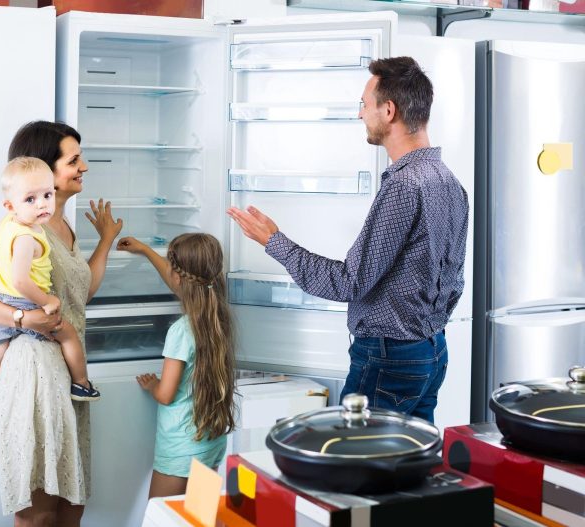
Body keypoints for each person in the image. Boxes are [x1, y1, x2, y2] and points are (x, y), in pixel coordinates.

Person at [227, 57, 469, 424]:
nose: (360, 114)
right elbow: (454, 282)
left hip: (389, 357)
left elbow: (349, 282)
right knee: (411, 464)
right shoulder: (449, 181)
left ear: (389, 111)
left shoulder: (404, 185)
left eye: (364, 104)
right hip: (432, 351)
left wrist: (273, 241)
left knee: (358, 465)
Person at [0, 120, 122, 526]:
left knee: (71, 504)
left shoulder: (62, 224)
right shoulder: (23, 226)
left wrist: (105, 241)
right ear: (45, 168)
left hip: (65, 376)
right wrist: (23, 317)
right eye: (74, 159)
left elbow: (78, 294)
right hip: (34, 372)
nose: (83, 166)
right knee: (40, 511)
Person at [0, 157, 100, 420]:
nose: (42, 204)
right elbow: (21, 280)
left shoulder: (8, 222)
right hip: (24, 299)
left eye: (47, 195)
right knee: (68, 333)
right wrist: (47, 300)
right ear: (11, 205)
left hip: (1, 298)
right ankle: (82, 384)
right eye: (30, 199)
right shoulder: (28, 237)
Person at [117, 233, 236, 498]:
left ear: (178, 277)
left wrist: (153, 385)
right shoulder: (219, 317)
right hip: (210, 441)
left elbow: (166, 394)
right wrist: (147, 250)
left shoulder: (181, 331)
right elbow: (182, 283)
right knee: (197, 519)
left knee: (160, 515)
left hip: (180, 446)